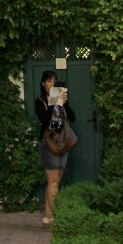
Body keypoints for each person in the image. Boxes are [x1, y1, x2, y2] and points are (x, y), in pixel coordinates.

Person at [35, 69, 76, 228]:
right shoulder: (40, 101)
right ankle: (59, 220)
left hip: (62, 142)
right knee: (53, 181)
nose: (53, 84)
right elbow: (45, 120)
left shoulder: (61, 100)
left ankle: (48, 218)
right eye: (50, 81)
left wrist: (64, 103)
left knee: (55, 181)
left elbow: (72, 117)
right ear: (43, 84)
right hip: (49, 143)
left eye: (55, 81)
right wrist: (54, 102)